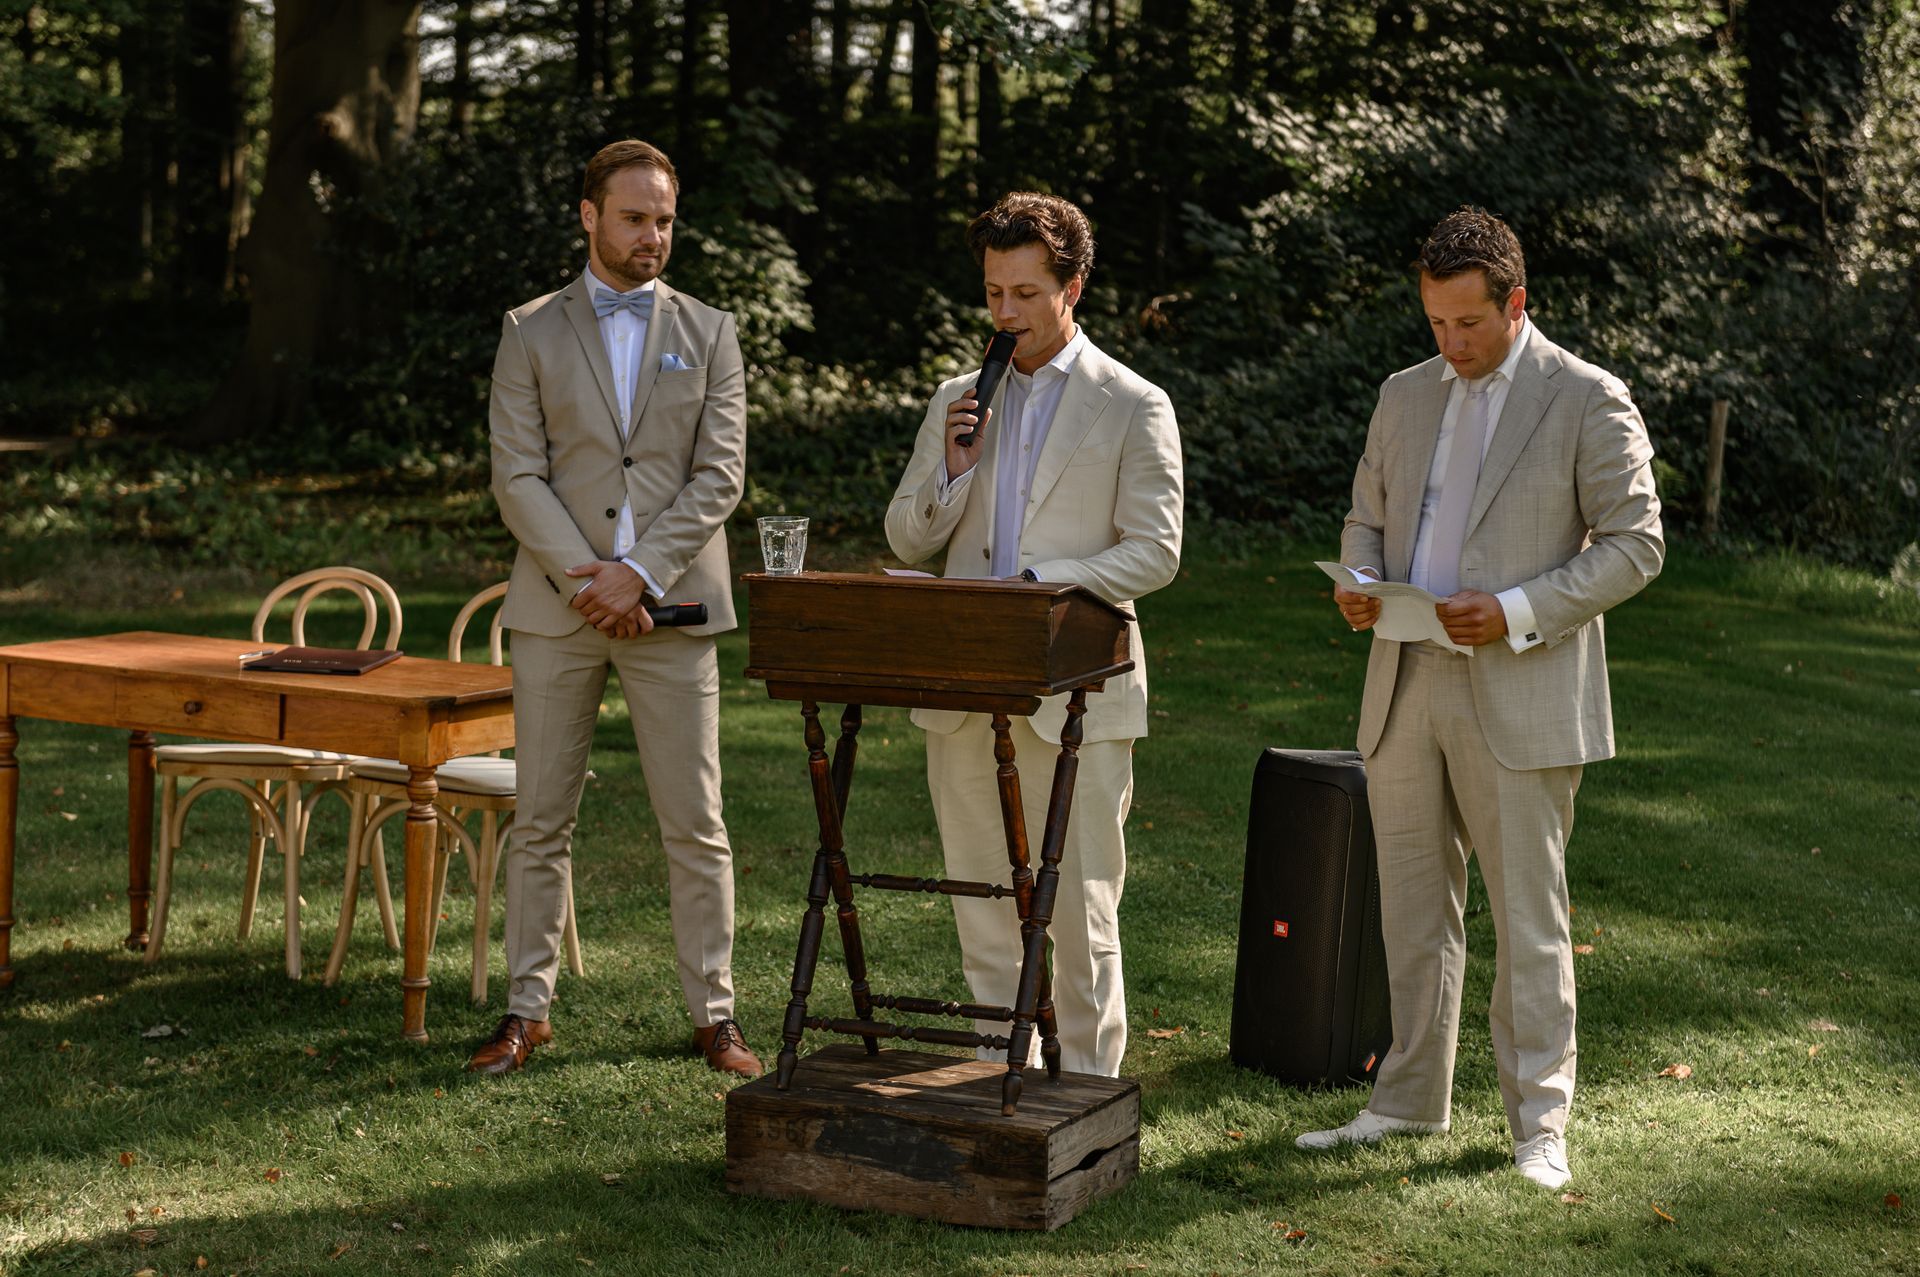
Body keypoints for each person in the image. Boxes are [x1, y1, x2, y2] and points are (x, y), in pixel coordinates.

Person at [1296, 208, 1664, 1188]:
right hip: (1405, 679)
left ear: (1516, 302)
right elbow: (1366, 513)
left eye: (1467, 324)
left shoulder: (1587, 397)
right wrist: (1359, 579)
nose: (1449, 344)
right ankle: (1408, 1097)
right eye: (1434, 324)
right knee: (1413, 910)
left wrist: (1514, 609)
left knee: (1529, 919)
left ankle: (1540, 1125)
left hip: (1523, 687)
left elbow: (1637, 544)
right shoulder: (1403, 393)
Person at [471, 139, 759, 1078]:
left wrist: (636, 572)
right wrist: (587, 579)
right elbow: (516, 473)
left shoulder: (711, 331)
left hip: (673, 607)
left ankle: (715, 1013)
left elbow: (719, 478)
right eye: (635, 218)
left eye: (665, 220)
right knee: (542, 815)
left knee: (696, 820)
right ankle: (526, 1008)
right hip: (560, 610)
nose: (653, 237)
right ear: (589, 216)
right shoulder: (529, 330)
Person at [884, 191, 1184, 1078]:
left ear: (1073, 287)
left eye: (1024, 293)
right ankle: (997, 1068)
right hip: (966, 684)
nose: (1005, 313)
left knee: (1081, 904)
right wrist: (950, 466)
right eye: (992, 294)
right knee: (982, 894)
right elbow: (908, 536)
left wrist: (1039, 590)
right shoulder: (957, 397)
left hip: (1078, 687)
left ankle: (1089, 1090)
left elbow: (1156, 551)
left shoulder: (1133, 403)